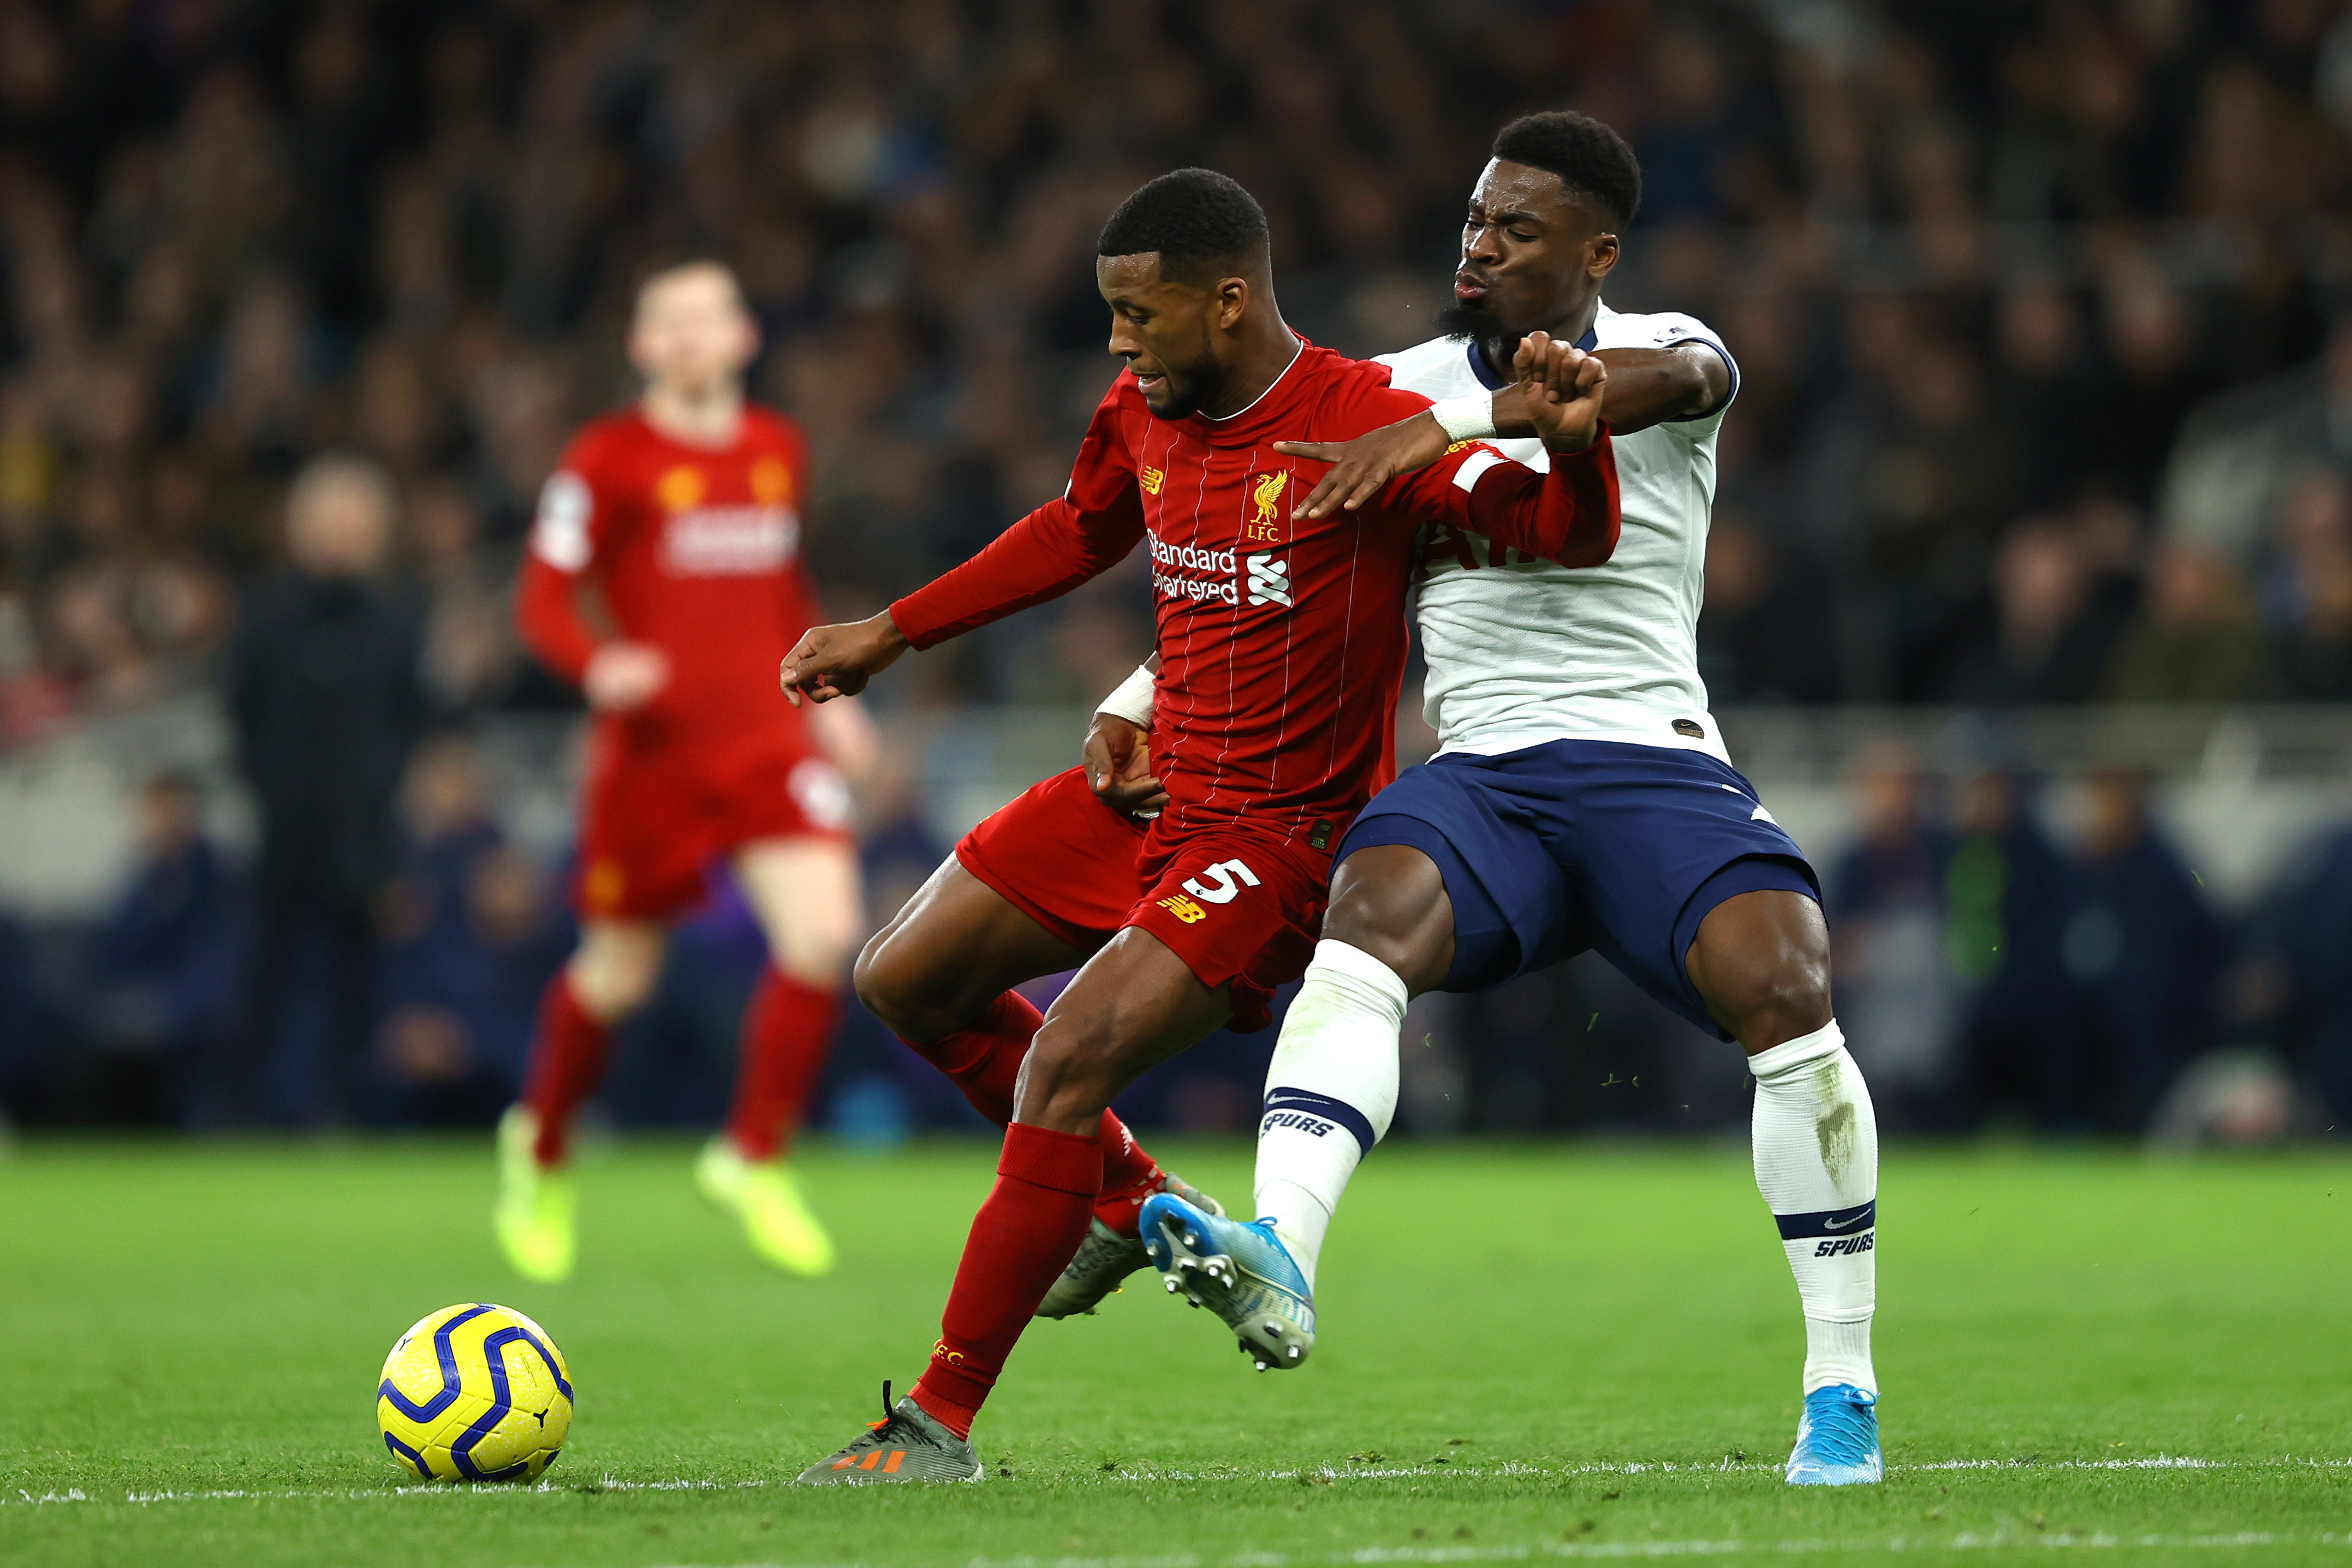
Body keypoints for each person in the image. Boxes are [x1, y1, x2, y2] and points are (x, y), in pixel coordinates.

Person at [778, 166, 1620, 1483]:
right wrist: (893, 630)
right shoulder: (1141, 410)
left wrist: (1574, 444)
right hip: (1151, 793)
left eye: (1140, 313)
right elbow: (1074, 532)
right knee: (902, 975)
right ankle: (1125, 1198)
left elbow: (1560, 537)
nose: (1119, 342)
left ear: (1228, 300)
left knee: (1064, 1061)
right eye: (1112, 314)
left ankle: (935, 1422)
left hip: (1276, 837)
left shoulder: (1364, 421)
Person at [1117, 113, 1885, 1487]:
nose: (1478, 245)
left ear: (1597, 253)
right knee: (1368, 913)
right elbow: (1264, 565)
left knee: (1787, 981)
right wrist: (1141, 688)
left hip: (1653, 759)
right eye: (1475, 219)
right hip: (1482, 775)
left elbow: (1673, 379)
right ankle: (1281, 1250)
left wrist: (1456, 425)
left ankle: (1842, 1386)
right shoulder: (1379, 387)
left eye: (1517, 228)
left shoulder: (1668, 345)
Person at [496, 260, 871, 1283]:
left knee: (823, 935)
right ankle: (541, 1150)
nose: (691, 336)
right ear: (642, 345)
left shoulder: (776, 448)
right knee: (618, 976)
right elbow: (542, 597)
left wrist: (829, 694)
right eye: (670, 321)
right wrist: (597, 662)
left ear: (745, 336)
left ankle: (751, 1156)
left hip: (765, 739)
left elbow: (779, 584)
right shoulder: (605, 458)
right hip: (655, 754)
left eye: (709, 318)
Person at [227, 453, 427, 1126]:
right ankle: (238, 1112)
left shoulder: (397, 622)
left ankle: (343, 1114)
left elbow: (412, 722)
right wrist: (271, 791)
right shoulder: (266, 618)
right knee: (262, 976)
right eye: (329, 521)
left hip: (364, 839)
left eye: (355, 522)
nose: (342, 536)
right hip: (283, 834)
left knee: (356, 984)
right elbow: (243, 717)